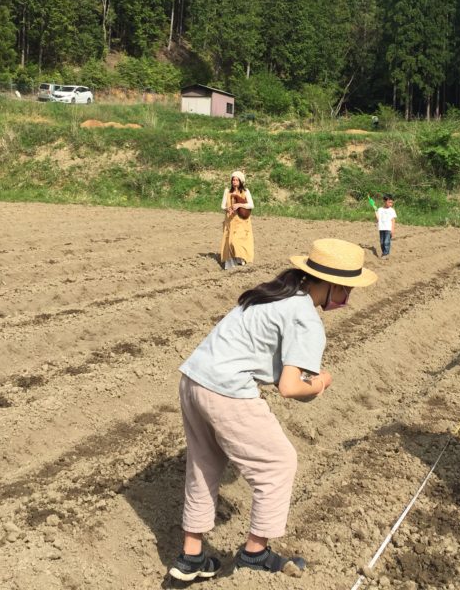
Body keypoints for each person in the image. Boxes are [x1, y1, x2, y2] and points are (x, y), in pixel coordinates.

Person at [169, 239, 378, 581]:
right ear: (332, 285)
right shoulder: (305, 317)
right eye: (348, 289)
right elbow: (290, 387)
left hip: (193, 379)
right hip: (227, 391)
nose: (348, 298)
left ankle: (191, 557)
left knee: (203, 464)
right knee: (279, 463)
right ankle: (255, 553)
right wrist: (322, 382)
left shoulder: (274, 295)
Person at [220, 171, 254, 270]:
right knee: (230, 242)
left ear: (240, 181)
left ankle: (242, 260)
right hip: (230, 221)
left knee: (238, 242)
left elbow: (251, 205)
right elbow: (222, 206)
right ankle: (232, 263)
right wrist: (227, 209)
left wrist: (239, 205)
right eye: (233, 180)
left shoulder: (245, 191)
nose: (234, 182)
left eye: (236, 180)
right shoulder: (227, 191)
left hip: (241, 221)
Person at [375, 194, 397, 259]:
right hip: (381, 228)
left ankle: (386, 254)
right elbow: (378, 219)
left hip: (388, 228)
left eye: (392, 202)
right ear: (384, 201)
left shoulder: (392, 210)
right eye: (389, 202)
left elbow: (393, 220)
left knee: (386, 242)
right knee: (382, 242)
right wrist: (376, 213)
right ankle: (384, 253)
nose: (391, 204)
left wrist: (392, 229)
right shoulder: (380, 209)